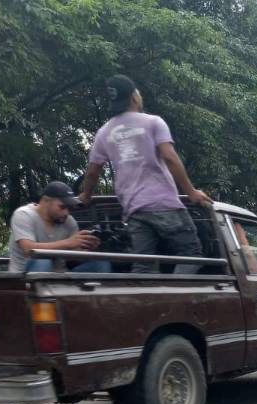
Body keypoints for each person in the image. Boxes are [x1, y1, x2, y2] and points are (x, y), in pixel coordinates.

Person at [79, 75, 212, 274]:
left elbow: (92, 172)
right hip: (163, 204)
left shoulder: (104, 133)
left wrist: (86, 196)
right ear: (134, 97)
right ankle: (174, 296)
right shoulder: (153, 122)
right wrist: (191, 192)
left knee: (143, 264)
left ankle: (146, 302)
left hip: (134, 210)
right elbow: (170, 157)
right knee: (191, 254)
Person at [8, 181, 111, 274]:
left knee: (102, 263)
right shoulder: (24, 215)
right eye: (62, 207)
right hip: (23, 279)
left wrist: (88, 246)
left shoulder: (69, 222)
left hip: (60, 276)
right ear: (45, 201)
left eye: (69, 208)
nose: (66, 212)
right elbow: (28, 249)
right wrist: (68, 243)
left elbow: (73, 255)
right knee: (43, 260)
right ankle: (40, 294)